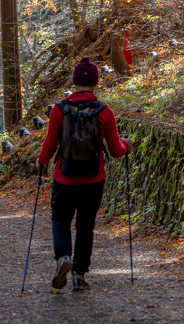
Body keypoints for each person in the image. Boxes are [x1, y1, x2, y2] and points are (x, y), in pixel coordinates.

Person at [36, 56, 132, 292]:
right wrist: (127, 144)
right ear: (96, 83)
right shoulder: (105, 112)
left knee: (60, 220)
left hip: (63, 178)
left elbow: (49, 145)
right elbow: (115, 151)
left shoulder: (59, 110)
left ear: (74, 80)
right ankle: (79, 275)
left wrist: (40, 162)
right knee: (86, 226)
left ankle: (62, 258)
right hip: (93, 179)